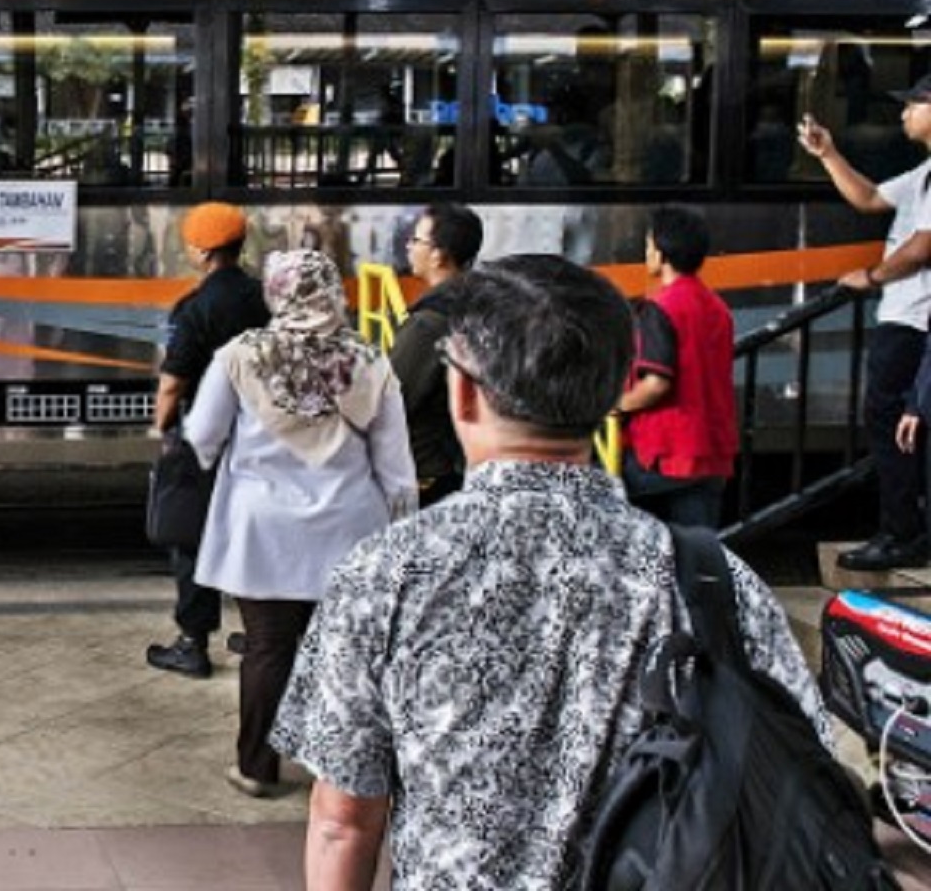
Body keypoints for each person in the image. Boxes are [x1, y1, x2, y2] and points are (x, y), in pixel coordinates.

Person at [273, 255, 830, 891]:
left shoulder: (385, 574)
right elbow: (798, 775)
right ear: (622, 386)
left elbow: (342, 821)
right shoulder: (714, 581)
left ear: (463, 391)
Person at [184, 250, 414, 800]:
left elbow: (202, 436)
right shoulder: (368, 360)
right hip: (349, 528)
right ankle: (340, 774)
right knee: (340, 652)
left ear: (276, 293)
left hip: (262, 531)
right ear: (333, 292)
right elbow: (396, 465)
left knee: (267, 647)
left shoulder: (240, 357)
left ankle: (257, 767)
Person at [798, 81, 931, 569]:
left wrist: (871, 276)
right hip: (903, 315)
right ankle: (904, 529)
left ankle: (902, 533)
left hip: (916, 321)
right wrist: (828, 154)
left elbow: (923, 247)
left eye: (915, 105)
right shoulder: (923, 173)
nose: (904, 116)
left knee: (889, 422)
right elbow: (871, 198)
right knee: (891, 422)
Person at [146, 202, 269, 679]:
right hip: (257, 431)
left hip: (204, 434)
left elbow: (173, 381)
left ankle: (192, 642)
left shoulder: (196, 307)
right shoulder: (262, 297)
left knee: (191, 537)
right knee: (248, 530)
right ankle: (259, 632)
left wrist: (164, 431)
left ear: (200, 250)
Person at [616, 205, 738, 528]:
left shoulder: (661, 308)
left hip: (669, 452)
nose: (646, 253)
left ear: (661, 252)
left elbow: (656, 383)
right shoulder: (718, 307)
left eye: (648, 245)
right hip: (712, 451)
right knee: (699, 554)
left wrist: (615, 405)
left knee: (594, 486)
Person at [387, 203, 483, 505]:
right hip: (465, 460)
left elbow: (392, 400)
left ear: (439, 255)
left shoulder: (429, 324)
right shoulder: (478, 302)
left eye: (416, 240)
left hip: (427, 472)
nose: (409, 246)